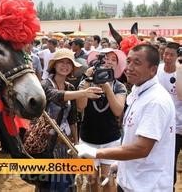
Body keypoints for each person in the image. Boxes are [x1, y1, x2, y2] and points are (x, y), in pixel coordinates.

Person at [72, 44, 176, 192]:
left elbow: (142, 148)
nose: (129, 67)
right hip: (132, 181)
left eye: (137, 63)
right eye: (128, 61)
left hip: (148, 186)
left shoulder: (155, 101)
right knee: (92, 181)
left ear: (153, 69)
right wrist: (121, 164)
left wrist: (96, 153)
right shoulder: (138, 93)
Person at [31, 48, 103, 191]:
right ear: (54, 65)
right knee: (47, 183)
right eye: (61, 62)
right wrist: (84, 92)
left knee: (67, 181)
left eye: (68, 63)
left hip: (65, 143)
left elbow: (73, 118)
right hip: (47, 144)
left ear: (72, 68)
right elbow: (55, 95)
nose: (65, 66)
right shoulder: (45, 84)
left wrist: (75, 143)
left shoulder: (71, 87)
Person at [77, 48, 127, 192]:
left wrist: (106, 87)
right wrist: (87, 80)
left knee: (108, 181)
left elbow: (118, 111)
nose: (108, 62)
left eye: (113, 59)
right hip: (88, 139)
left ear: (117, 65)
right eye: (105, 58)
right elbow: (81, 107)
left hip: (110, 141)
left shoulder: (119, 86)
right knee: (91, 180)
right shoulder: (87, 82)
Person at [157, 42, 182, 189]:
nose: (167, 57)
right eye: (165, 54)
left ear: (177, 56)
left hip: (180, 123)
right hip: (167, 127)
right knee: (168, 161)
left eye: (171, 54)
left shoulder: (180, 71)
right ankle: (169, 187)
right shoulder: (157, 70)